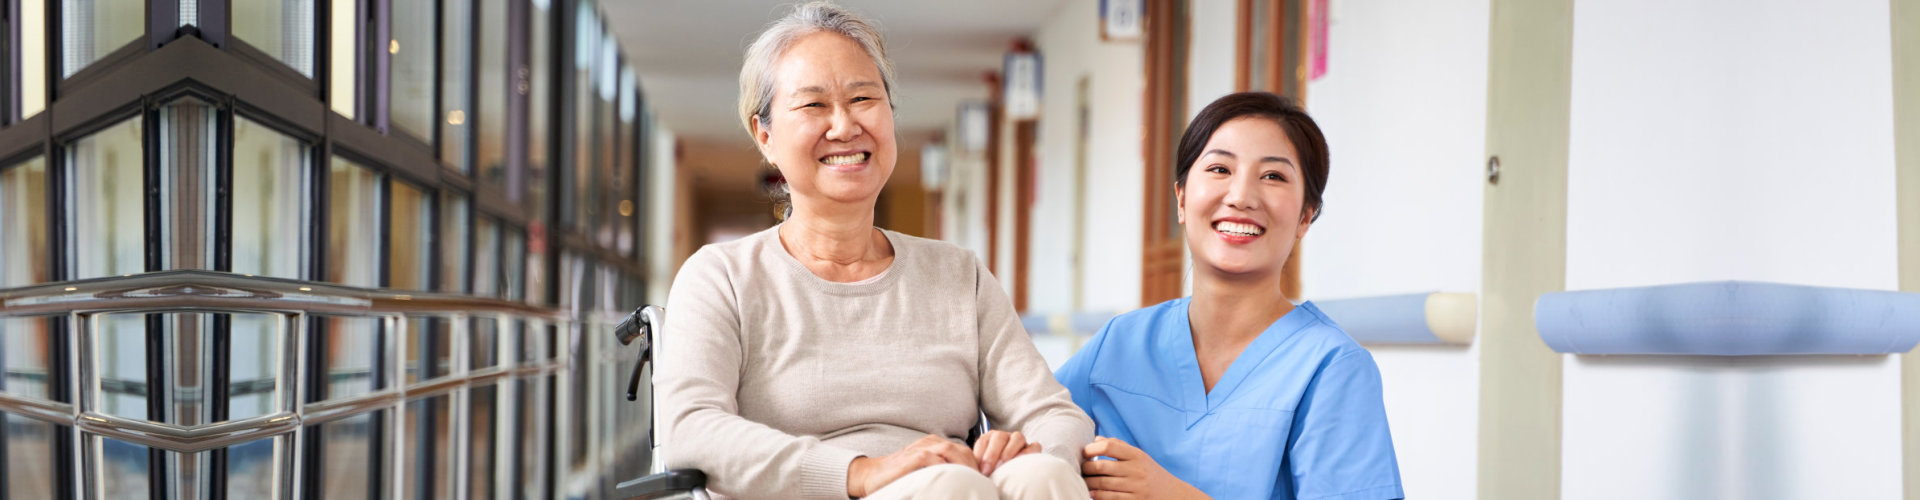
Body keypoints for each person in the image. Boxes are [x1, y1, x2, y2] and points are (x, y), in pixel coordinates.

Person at [656, 3, 1093, 499]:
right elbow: (691, 428)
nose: (844, 126)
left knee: (1043, 475)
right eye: (813, 105)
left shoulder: (957, 275)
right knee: (948, 487)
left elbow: (1052, 413)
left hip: (952, 485)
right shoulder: (722, 277)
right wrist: (861, 472)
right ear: (766, 136)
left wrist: (1034, 452)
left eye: (862, 97)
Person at [1054, 92, 1403, 500]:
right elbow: (1031, 433)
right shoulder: (1120, 344)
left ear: (1305, 217)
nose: (1241, 196)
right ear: (1182, 198)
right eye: (1220, 168)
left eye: (1273, 176)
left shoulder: (1331, 368)